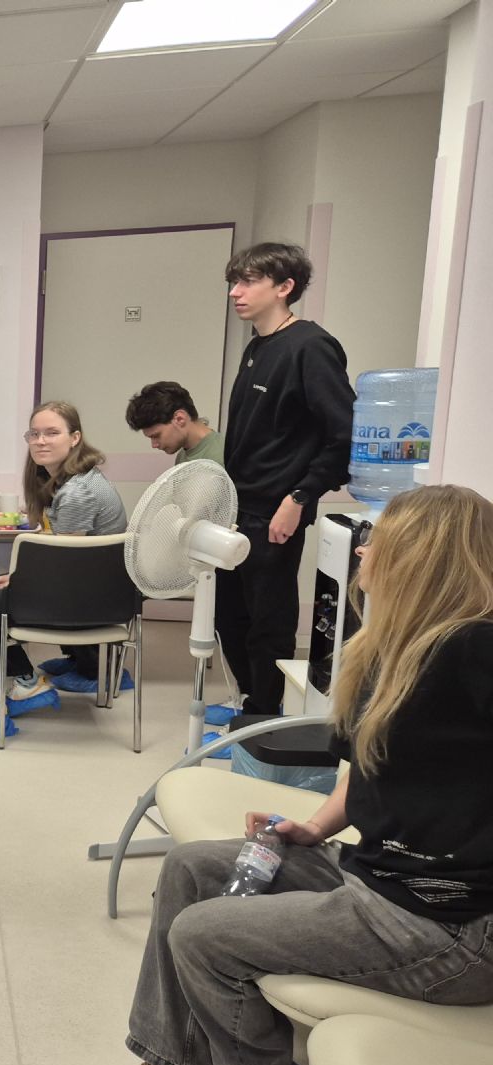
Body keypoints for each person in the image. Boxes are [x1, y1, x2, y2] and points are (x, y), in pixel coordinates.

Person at [66, 484, 493, 1065]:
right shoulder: (389, 650)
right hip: (372, 878)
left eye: (379, 540)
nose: (363, 551)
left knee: (202, 936)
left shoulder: (474, 652)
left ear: (422, 556)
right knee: (189, 868)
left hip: (443, 929)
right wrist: (314, 827)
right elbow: (365, 769)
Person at [217, 243, 355, 721]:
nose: (235, 292)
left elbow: (345, 436)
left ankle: (262, 721)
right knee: (228, 616)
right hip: (237, 507)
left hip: (275, 510)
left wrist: (300, 497)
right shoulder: (258, 345)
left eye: (247, 281)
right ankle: (249, 705)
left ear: (284, 287)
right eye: (233, 282)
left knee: (268, 621)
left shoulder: (311, 347)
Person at [0, 402, 128, 737]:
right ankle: (27, 683)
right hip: (85, 586)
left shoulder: (78, 492)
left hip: (85, 600)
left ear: (75, 438)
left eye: (51, 433)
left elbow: (65, 562)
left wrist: (18, 580)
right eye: (34, 434)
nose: (40, 441)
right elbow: (64, 557)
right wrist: (16, 578)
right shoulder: (69, 479)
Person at [124, 380, 223, 465]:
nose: (154, 445)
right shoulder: (182, 456)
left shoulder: (222, 455)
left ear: (179, 419)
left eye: (156, 435)